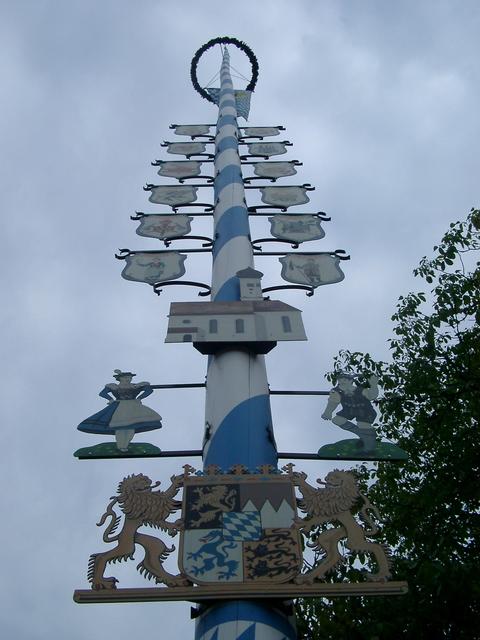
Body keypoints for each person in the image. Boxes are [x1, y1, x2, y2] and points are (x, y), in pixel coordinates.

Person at [77, 370, 162, 451]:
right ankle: (121, 446)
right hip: (119, 406)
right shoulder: (114, 387)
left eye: (130, 378)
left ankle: (125, 445)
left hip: (133, 406)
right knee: (120, 427)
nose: (128, 379)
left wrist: (139, 398)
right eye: (126, 377)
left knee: (131, 427)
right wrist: (110, 399)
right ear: (120, 378)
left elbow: (149, 390)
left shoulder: (135, 386)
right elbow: (102, 393)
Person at [321, 373, 378, 451]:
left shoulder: (360, 390)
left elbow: (372, 396)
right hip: (349, 410)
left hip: (365, 411)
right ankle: (362, 435)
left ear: (351, 381)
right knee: (337, 420)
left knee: (363, 425)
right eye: (340, 379)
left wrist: (374, 385)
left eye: (345, 379)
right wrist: (328, 412)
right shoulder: (336, 391)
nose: (342, 381)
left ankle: (369, 448)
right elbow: (333, 402)